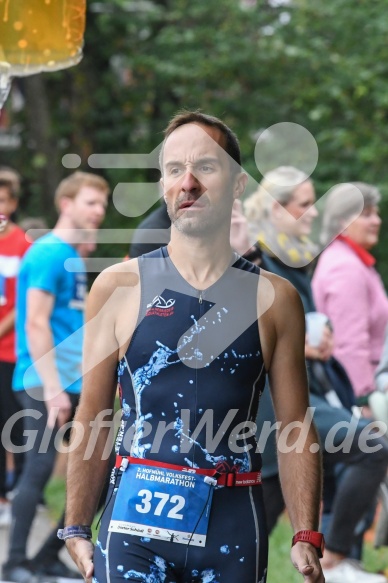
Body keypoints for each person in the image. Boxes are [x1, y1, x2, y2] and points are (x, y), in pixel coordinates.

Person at [63, 112, 324, 583]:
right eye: (174, 169)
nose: (188, 183)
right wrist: (77, 525)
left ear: (238, 183)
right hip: (132, 529)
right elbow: (94, 414)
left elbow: (295, 426)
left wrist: (306, 533)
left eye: (205, 167)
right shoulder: (118, 286)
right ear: (162, 184)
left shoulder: (276, 299)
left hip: (233, 530)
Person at [245, 166, 388, 583]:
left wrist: (317, 346)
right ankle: (338, 557)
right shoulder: (260, 259)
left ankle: (337, 559)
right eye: (306, 204)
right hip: (271, 405)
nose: (314, 212)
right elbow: (242, 328)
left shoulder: (295, 259)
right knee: (371, 447)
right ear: (278, 210)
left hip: (302, 396)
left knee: (258, 525)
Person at [2, 171, 110, 583]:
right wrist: (51, 387)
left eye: (102, 204)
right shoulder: (48, 253)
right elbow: (35, 323)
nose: (98, 211)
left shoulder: (70, 255)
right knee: (39, 467)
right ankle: (14, 563)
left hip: (73, 380)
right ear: (66, 204)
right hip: (44, 379)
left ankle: (49, 554)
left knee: (99, 467)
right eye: (90, 202)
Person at [312, 182, 388, 423]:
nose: (376, 220)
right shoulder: (345, 268)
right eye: (366, 214)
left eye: (376, 213)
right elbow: (349, 342)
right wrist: (364, 402)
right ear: (341, 223)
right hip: (365, 399)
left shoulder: (355, 262)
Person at [0, 171, 31, 528]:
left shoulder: (24, 245)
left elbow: (23, 303)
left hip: (11, 353)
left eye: (4, 200)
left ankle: (22, 496)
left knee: (16, 424)